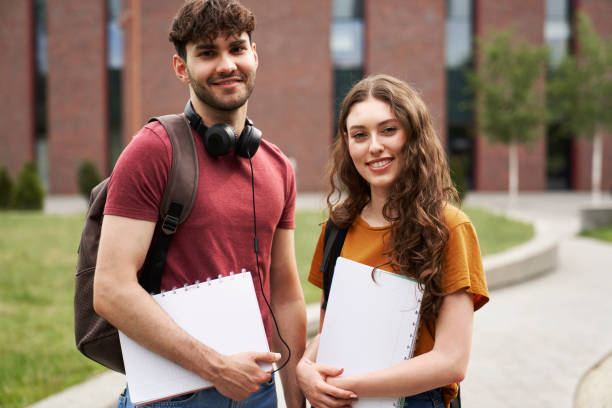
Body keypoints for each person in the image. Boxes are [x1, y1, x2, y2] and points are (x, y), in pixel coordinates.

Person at [93, 1, 306, 407]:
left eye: (237, 48)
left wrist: (295, 403)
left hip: (256, 391)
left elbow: (286, 294)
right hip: (174, 394)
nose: (226, 64)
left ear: (254, 55)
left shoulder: (278, 167)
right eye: (207, 53)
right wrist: (216, 368)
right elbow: (110, 289)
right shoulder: (153, 150)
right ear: (181, 67)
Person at [296, 74, 489, 408]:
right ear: (347, 142)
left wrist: (352, 386)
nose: (374, 146)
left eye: (388, 130)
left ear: (413, 135)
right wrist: (305, 367)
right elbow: (333, 329)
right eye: (360, 135)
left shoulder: (449, 228)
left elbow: (452, 361)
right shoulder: (336, 229)